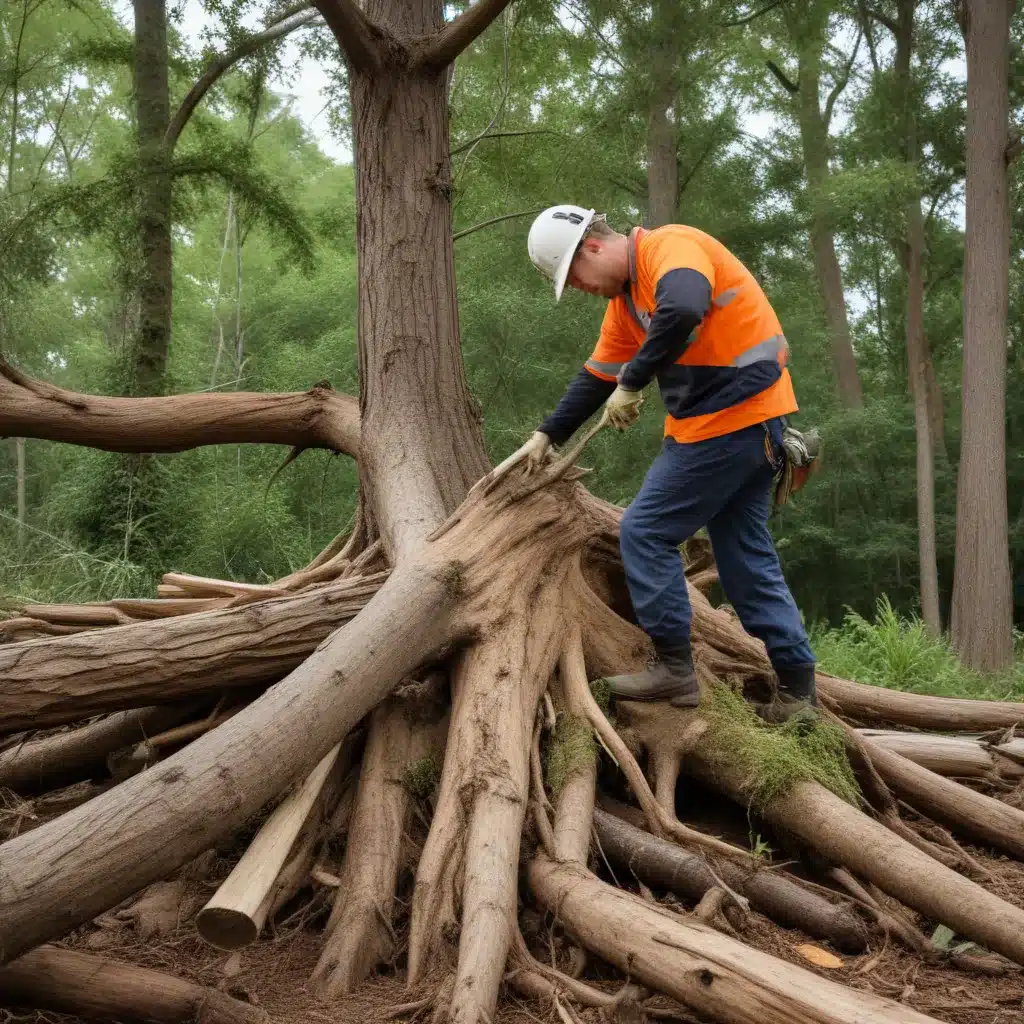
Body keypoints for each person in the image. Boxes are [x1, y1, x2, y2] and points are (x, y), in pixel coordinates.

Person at [507, 204, 817, 718]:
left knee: (645, 532)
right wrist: (547, 434)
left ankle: (674, 671)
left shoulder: (670, 248)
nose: (580, 289)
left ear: (592, 247)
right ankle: (798, 693)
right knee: (745, 559)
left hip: (731, 422)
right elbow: (596, 376)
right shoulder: (627, 304)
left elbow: (685, 308)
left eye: (575, 277)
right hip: (748, 427)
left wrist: (632, 383)